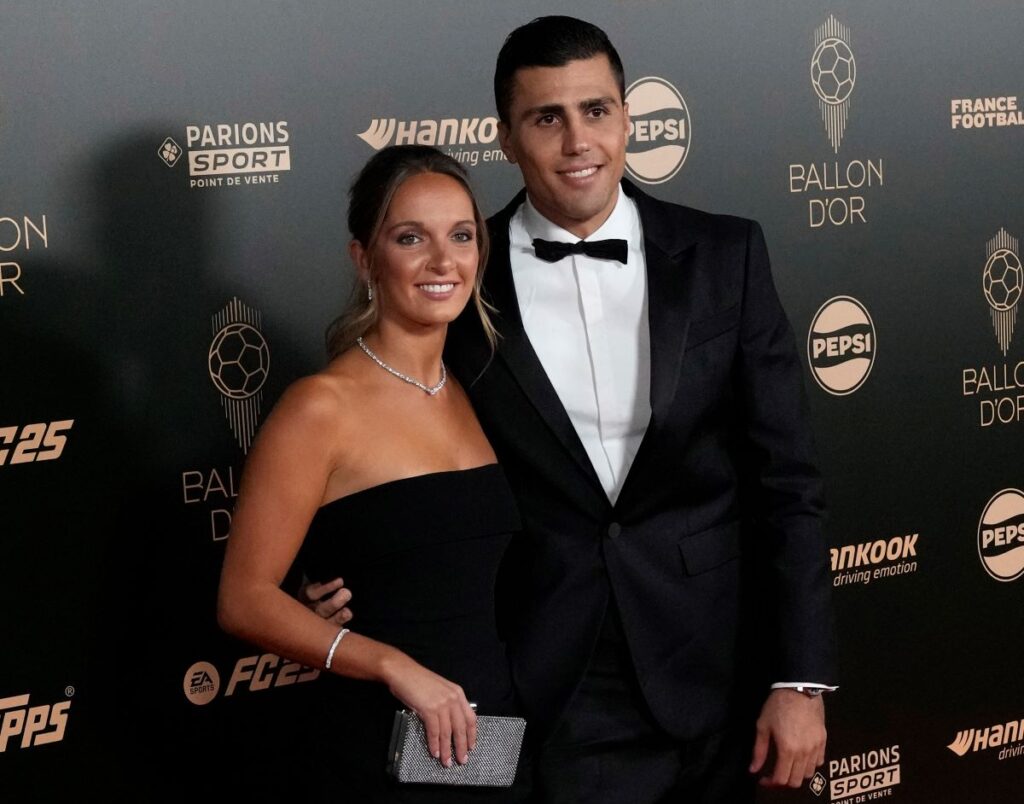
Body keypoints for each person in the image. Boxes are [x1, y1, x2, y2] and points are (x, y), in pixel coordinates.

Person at [312, 15, 838, 802]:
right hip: (547, 671)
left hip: (721, 664)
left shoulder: (726, 255)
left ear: (628, 118)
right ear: (506, 137)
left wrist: (801, 681)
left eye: (596, 110)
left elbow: (788, 480)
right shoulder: (455, 279)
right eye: (545, 118)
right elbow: (374, 436)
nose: (577, 140)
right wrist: (320, 581)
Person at [217, 144, 530, 801]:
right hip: (374, 751)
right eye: (411, 238)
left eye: (462, 236)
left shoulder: (484, 390)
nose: (443, 261)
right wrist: (391, 664)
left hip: (489, 747)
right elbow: (244, 598)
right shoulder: (320, 408)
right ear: (365, 259)